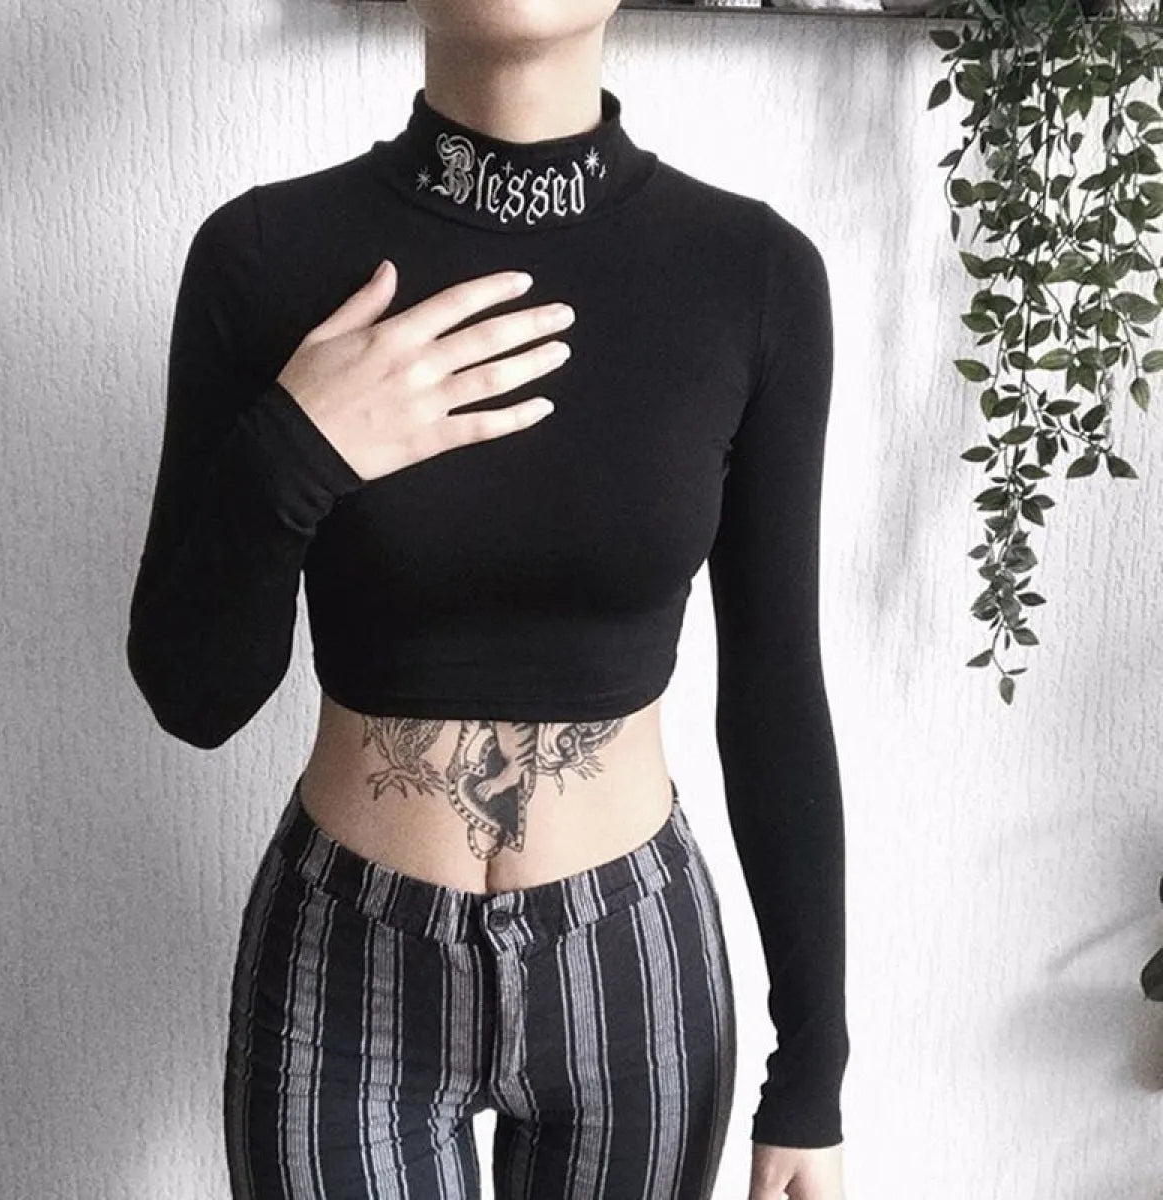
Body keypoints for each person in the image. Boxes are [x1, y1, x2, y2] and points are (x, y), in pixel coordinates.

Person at [124, 1, 848, 1196]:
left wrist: (812, 1071)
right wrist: (295, 447)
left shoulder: (752, 273)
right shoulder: (265, 256)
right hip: (343, 966)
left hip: (634, 969)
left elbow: (775, 690)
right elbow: (194, 697)